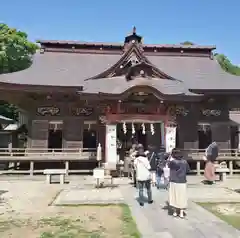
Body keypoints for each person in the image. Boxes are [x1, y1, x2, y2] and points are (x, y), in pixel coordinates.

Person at [168, 148, 190, 218]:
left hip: (174, 180)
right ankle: (181, 212)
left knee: (174, 196)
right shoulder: (184, 162)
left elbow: (168, 165)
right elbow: (188, 170)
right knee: (182, 196)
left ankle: (175, 212)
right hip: (182, 181)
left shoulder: (172, 162)